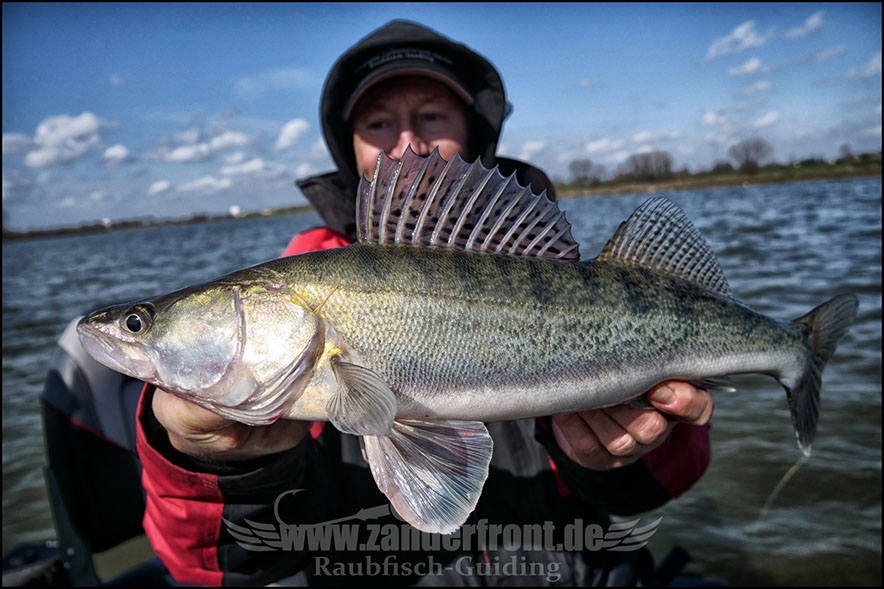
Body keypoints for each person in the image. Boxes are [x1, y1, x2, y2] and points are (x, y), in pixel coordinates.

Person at [129, 21, 713, 585]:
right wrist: (214, 463)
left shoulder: (554, 269)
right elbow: (220, 568)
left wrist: (621, 456)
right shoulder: (299, 294)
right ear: (348, 146)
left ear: (474, 133)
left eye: (432, 116)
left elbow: (662, 486)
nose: (407, 142)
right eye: (379, 123)